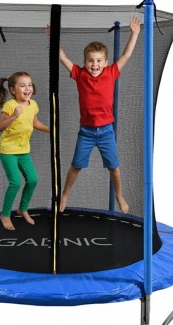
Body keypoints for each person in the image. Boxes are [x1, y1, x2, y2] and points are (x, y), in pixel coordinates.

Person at [48, 17, 140, 213]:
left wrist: (135, 33)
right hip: (86, 132)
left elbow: (126, 55)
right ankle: (65, 195)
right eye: (90, 61)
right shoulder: (80, 74)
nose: (94, 64)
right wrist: (53, 40)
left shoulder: (111, 72)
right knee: (76, 166)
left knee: (114, 167)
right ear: (85, 62)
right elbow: (63, 58)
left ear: (105, 63)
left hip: (106, 131)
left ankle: (119, 195)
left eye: (98, 61)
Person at [0, 72, 49, 230]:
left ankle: (22, 209)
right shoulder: (10, 105)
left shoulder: (33, 104)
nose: (27, 88)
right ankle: (5, 215)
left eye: (29, 85)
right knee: (15, 182)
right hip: (8, 150)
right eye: (22, 85)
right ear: (13, 90)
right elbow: (0, 127)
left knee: (33, 180)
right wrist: (14, 116)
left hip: (23, 150)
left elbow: (35, 123)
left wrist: (50, 130)